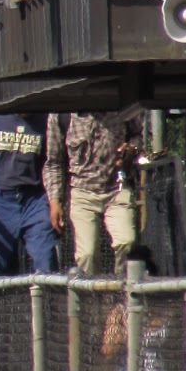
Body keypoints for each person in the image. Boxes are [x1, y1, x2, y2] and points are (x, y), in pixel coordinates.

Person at [44, 110, 140, 275]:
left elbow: (139, 135)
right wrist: (55, 201)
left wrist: (132, 149)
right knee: (86, 254)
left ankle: (122, 296)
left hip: (117, 187)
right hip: (82, 192)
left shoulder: (123, 106)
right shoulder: (62, 115)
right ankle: (92, 299)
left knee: (127, 242)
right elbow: (54, 162)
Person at [0, 111, 58, 273]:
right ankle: (6, 299)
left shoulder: (47, 119)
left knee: (45, 259)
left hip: (35, 198)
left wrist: (55, 202)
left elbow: (54, 163)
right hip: (0, 198)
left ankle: (46, 297)